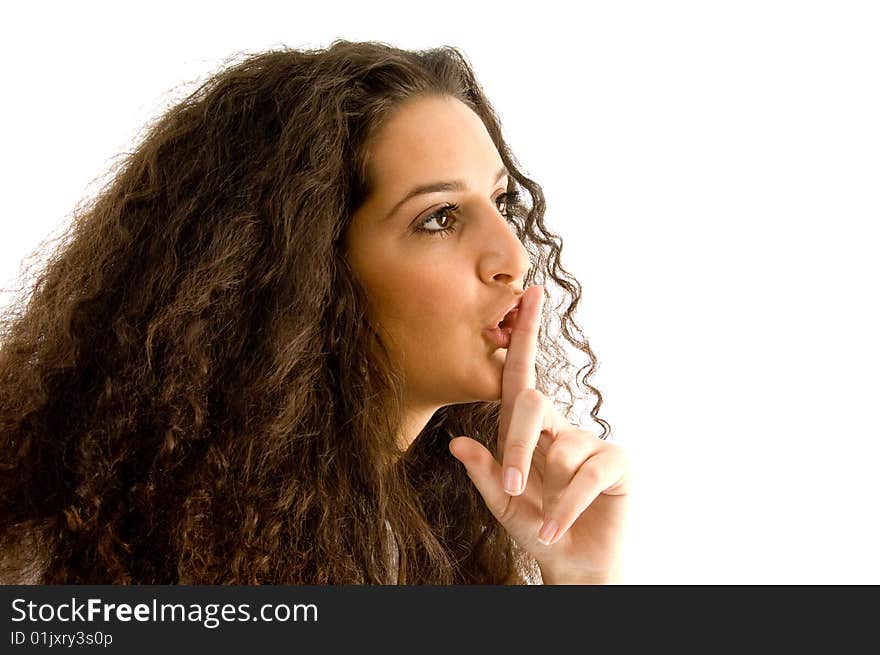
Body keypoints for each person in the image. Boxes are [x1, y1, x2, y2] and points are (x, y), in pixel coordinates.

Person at [0, 39, 629, 584]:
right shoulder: (71, 570)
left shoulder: (432, 539)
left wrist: (583, 582)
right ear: (305, 273)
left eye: (501, 202)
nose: (514, 258)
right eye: (440, 218)